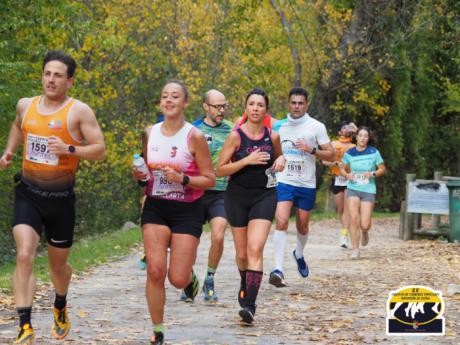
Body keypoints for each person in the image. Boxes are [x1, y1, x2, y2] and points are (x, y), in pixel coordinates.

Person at [0, 50, 106, 345]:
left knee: (58, 268)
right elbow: (17, 126)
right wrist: (9, 151)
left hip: (60, 200)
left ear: (69, 81)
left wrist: (69, 149)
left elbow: (100, 149)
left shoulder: (79, 112)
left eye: (58, 75)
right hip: (28, 194)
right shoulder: (26, 105)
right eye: (47, 73)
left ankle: (60, 302)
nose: (51, 79)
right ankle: (25, 326)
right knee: (24, 255)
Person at [133, 80, 214, 345]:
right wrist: (140, 176)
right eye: (165, 96)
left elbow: (209, 179)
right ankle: (158, 331)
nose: (169, 100)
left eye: (175, 96)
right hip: (156, 206)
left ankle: (189, 278)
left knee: (176, 278)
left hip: (187, 209)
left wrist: (184, 179)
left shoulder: (195, 137)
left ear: (185, 103)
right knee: (155, 271)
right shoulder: (150, 132)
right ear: (160, 102)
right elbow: (146, 176)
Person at [216, 88, 285, 324]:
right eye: (251, 104)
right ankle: (245, 283)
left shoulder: (272, 136)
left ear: (266, 110)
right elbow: (220, 169)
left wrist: (281, 160)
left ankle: (250, 306)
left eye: (260, 105)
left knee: (255, 249)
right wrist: (247, 160)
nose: (255, 108)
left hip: (264, 195)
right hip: (237, 195)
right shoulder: (235, 136)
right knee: (242, 254)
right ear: (246, 108)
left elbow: (279, 158)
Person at [269, 87, 335, 288]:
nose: (296, 106)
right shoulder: (279, 126)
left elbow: (331, 154)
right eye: (293, 102)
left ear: (306, 105)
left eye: (300, 103)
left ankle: (298, 253)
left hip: (306, 183)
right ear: (288, 104)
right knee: (281, 221)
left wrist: (312, 150)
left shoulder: (316, 127)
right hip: (284, 180)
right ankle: (278, 270)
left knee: (302, 225)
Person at [191, 89, 233, 302]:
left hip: (221, 192)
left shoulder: (232, 130)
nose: (221, 110)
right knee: (191, 241)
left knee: (218, 236)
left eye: (224, 106)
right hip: (196, 192)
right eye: (217, 106)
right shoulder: (192, 130)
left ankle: (209, 277)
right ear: (205, 107)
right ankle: (189, 279)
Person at [340, 126, 385, 259]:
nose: (363, 138)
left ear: (368, 138)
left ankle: (365, 232)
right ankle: (355, 249)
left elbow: (382, 169)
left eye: (365, 136)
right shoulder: (350, 153)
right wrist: (347, 175)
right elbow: (342, 168)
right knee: (354, 219)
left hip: (368, 189)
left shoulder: (374, 152)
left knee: (364, 224)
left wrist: (372, 173)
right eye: (360, 135)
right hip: (353, 188)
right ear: (356, 137)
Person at [322, 122, 357, 248]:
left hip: (349, 179)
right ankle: (344, 231)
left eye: (348, 127)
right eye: (343, 128)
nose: (346, 129)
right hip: (337, 178)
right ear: (339, 132)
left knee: (347, 209)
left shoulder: (354, 146)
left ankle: (344, 235)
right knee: (341, 209)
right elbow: (324, 160)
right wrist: (335, 164)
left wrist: (356, 130)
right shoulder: (333, 144)